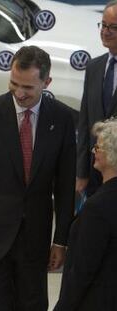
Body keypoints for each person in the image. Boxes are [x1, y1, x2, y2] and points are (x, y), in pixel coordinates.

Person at [0, 46, 76, 311]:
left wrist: (61, 240)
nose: (20, 94)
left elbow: (65, 186)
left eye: (28, 88)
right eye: (14, 84)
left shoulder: (63, 119)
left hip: (35, 243)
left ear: (47, 82)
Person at [54, 119, 117, 311]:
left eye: (98, 147)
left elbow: (83, 270)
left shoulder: (98, 207)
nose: (93, 152)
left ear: (112, 154)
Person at [76, 0, 117, 197]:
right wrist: (82, 172)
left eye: (113, 27)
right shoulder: (93, 67)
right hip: (94, 174)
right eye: (103, 24)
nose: (105, 31)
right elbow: (84, 123)